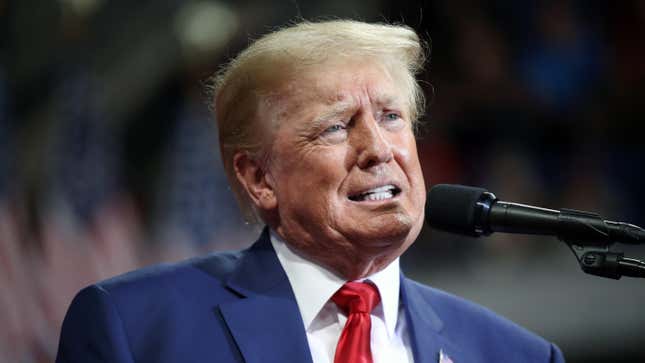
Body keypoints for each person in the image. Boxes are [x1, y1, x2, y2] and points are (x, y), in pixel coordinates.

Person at [56, 20, 565, 363]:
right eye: (335, 127)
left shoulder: (514, 354)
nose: (378, 149)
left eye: (391, 117)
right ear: (259, 178)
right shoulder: (135, 328)